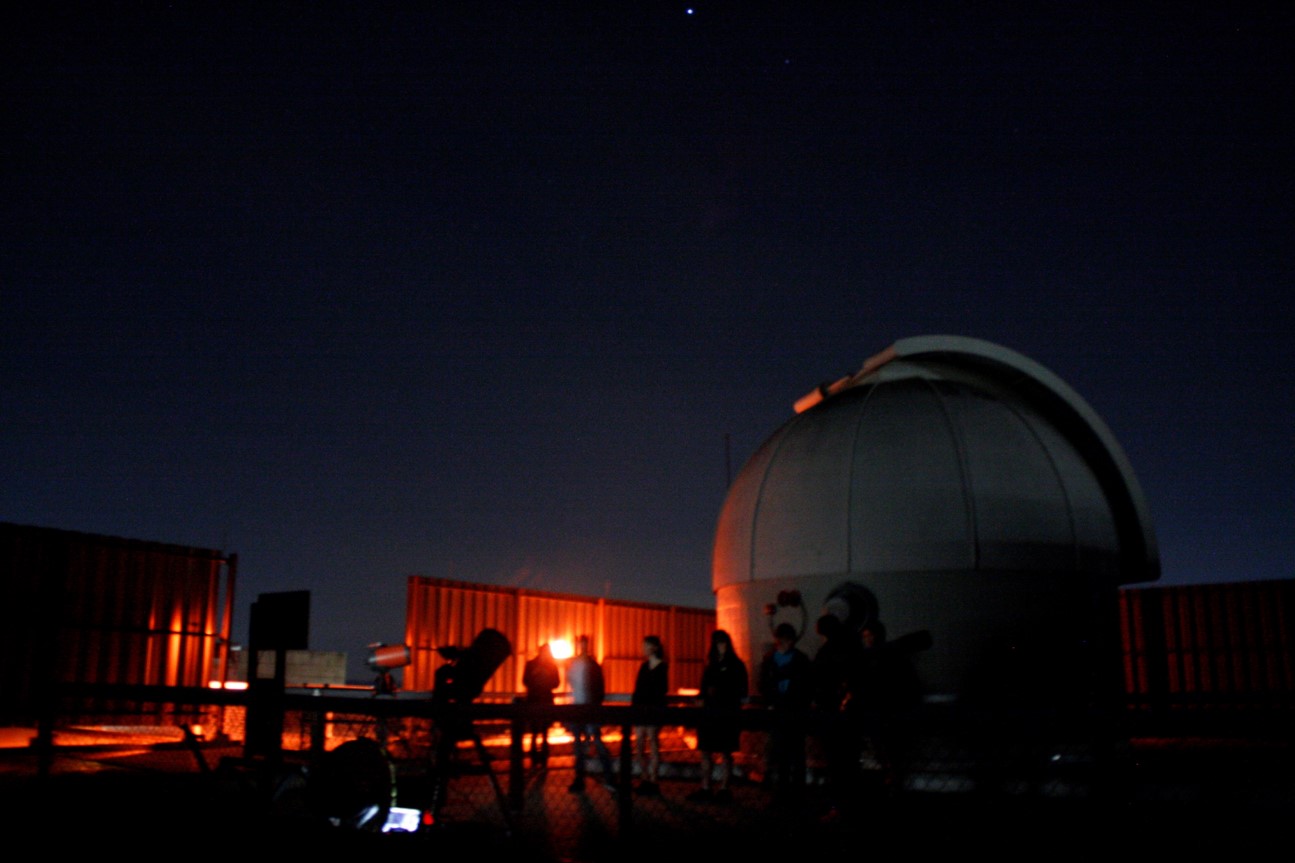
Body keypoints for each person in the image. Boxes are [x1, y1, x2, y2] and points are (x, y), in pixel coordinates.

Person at [810, 613, 864, 820]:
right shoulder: (851, 646)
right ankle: (849, 805)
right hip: (847, 714)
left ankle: (839, 806)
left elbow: (819, 678)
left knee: (837, 763)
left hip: (833, 714)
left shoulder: (830, 650)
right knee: (848, 762)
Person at [688, 629, 748, 804]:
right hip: (711, 713)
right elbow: (703, 689)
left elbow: (741, 690)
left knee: (726, 752)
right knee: (707, 751)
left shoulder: (736, 665)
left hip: (726, 713)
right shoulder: (712, 666)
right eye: (717, 643)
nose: (720, 646)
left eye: (722, 642)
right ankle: (707, 787)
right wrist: (701, 699)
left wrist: (718, 693)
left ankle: (723, 788)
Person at [757, 622, 812, 802]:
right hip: (786, 713)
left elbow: (764, 685)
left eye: (788, 640)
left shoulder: (772, 660)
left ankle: (791, 793)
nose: (786, 643)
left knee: (792, 755)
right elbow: (763, 685)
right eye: (784, 640)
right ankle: (786, 792)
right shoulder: (794, 660)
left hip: (790, 713)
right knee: (785, 755)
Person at [565, 634, 617, 793]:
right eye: (581, 645)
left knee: (591, 745)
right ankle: (585, 779)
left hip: (588, 709)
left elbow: (597, 689)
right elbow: (570, 688)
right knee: (580, 746)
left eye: (584, 645)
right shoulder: (576, 665)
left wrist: (594, 706)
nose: (582, 647)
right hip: (578, 709)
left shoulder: (588, 665)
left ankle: (607, 778)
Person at [631, 634, 669, 796]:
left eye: (645, 645)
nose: (642, 648)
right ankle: (645, 777)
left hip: (653, 710)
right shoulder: (644, 666)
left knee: (652, 741)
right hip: (642, 709)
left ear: (653, 647)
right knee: (639, 743)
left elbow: (662, 689)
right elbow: (638, 688)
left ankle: (653, 779)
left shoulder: (662, 667)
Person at [522, 642, 561, 767]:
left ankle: (541, 758)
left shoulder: (547, 665)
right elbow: (525, 681)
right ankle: (537, 758)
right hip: (538, 701)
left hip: (540, 701)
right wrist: (537, 674)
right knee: (536, 732)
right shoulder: (535, 665)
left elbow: (556, 683)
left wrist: (546, 675)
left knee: (542, 732)